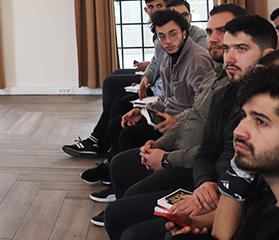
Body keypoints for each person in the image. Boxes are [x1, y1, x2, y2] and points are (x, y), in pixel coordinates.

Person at [104, 14, 277, 239]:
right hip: (210, 181)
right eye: (227, 48)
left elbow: (232, 176)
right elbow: (207, 147)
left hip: (210, 184)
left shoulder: (250, 96)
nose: (229, 56)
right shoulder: (224, 89)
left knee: (132, 228)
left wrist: (168, 159)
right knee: (119, 205)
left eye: (241, 49)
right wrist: (203, 186)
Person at [83, 9, 213, 224]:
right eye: (162, 36)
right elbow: (165, 98)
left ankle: (125, 196)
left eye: (173, 34)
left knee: (127, 136)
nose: (167, 41)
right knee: (119, 124)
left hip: (182, 125)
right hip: (166, 117)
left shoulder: (197, 59)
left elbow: (202, 107)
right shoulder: (168, 57)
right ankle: (120, 190)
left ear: (184, 33)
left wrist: (177, 120)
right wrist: (143, 111)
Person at [167, 63, 279, 239]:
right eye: (244, 116)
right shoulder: (263, 182)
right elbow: (223, 233)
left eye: (261, 122)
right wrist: (195, 223)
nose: (238, 131)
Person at [63, 0, 173, 158]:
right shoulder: (158, 32)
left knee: (115, 94)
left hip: (159, 88)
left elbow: (165, 67)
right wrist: (146, 74)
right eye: (151, 7)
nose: (155, 10)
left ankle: (99, 141)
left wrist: (147, 78)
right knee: (112, 79)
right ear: (146, 10)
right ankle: (100, 139)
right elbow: (158, 61)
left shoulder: (176, 35)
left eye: (159, 6)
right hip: (154, 81)